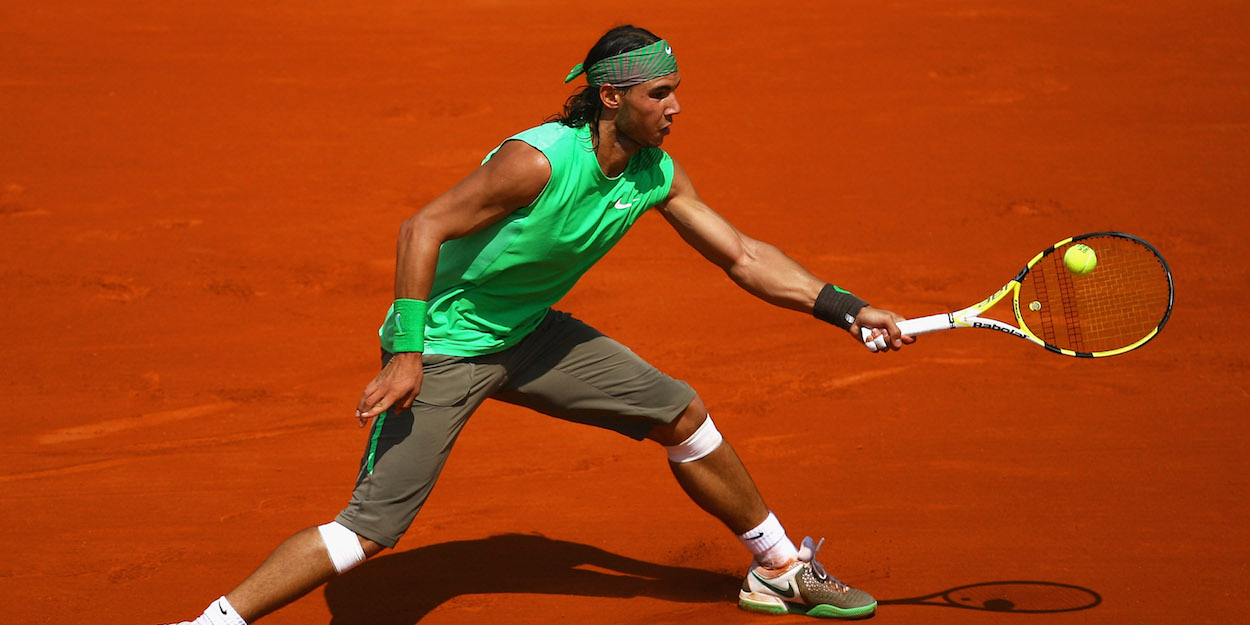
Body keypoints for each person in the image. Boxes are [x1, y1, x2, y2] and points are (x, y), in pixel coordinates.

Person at [168, 25, 913, 625]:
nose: (675, 107)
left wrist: (848, 310)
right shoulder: (537, 163)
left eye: (676, 92)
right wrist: (405, 351)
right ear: (613, 97)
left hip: (530, 335)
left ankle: (779, 567)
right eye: (661, 94)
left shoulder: (656, 171)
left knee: (681, 411)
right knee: (366, 532)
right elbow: (420, 227)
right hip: (445, 345)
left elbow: (745, 255)